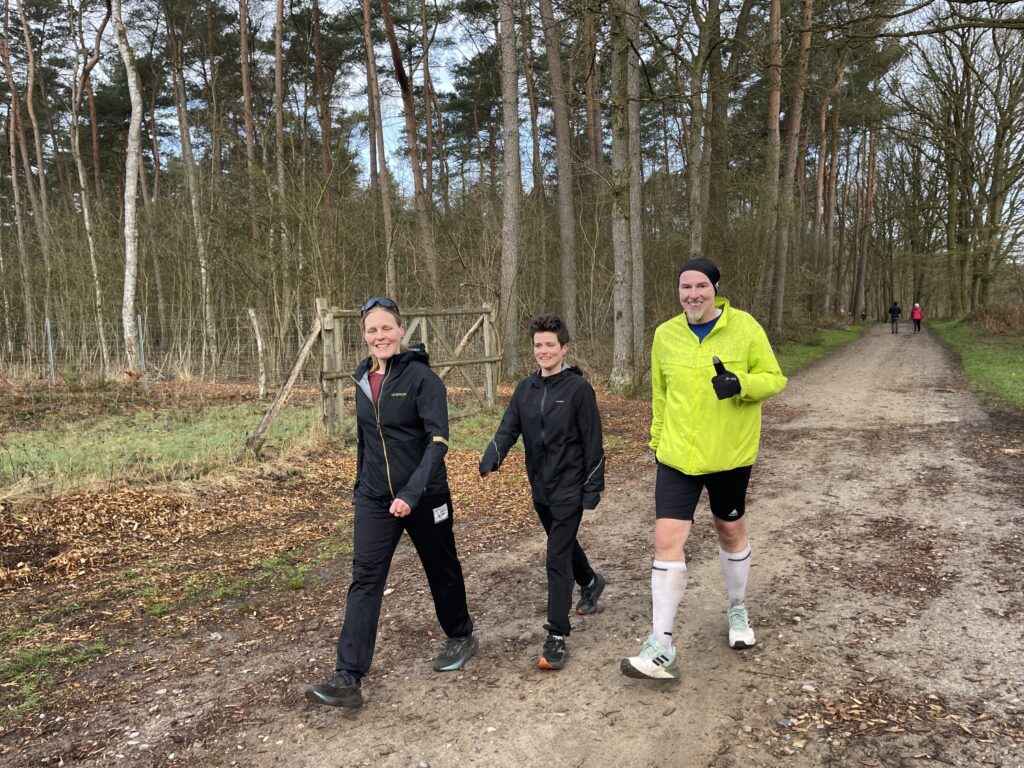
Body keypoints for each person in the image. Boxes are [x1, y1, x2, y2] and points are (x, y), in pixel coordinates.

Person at [306, 296, 478, 709]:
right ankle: (348, 676)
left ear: (401, 330)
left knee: (441, 568)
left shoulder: (423, 379)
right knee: (365, 578)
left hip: (424, 495)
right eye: (372, 330)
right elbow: (367, 440)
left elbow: (438, 443)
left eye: (386, 328)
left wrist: (411, 493)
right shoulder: (363, 379)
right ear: (364, 336)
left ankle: (460, 634)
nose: (379, 336)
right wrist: (360, 488)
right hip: (374, 497)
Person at [620, 258, 787, 680]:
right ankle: (661, 646)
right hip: (677, 456)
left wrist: (741, 384)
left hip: (729, 454)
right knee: (665, 540)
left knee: (730, 531)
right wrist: (656, 442)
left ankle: (737, 608)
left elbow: (775, 378)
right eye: (685, 287)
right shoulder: (665, 335)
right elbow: (660, 394)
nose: (692, 294)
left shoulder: (745, 328)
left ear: (715, 289)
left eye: (700, 286)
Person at [479, 314, 606, 670]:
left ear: (564, 348)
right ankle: (591, 582)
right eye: (538, 345)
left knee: (556, 558)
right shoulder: (525, 389)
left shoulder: (578, 390)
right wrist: (493, 455)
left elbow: (593, 441)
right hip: (540, 487)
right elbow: (509, 428)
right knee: (562, 544)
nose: (543, 351)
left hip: (570, 487)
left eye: (550, 345)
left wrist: (592, 486)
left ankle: (556, 636)